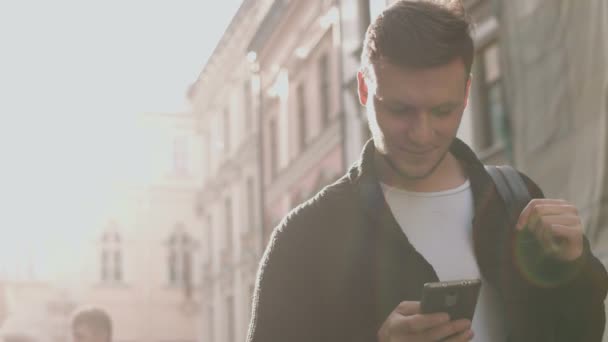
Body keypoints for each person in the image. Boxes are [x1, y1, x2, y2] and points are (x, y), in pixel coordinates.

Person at [246, 0, 608, 341]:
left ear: (466, 93)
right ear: (362, 89)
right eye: (400, 110)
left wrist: (574, 270)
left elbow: (578, 333)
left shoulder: (515, 199)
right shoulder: (305, 237)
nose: (421, 134)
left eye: (442, 111)